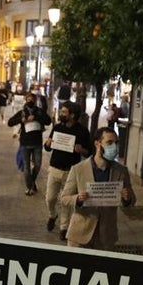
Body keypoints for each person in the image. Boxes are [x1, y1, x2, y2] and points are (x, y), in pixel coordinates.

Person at [59, 127, 136, 251]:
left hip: (106, 236)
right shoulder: (78, 169)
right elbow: (64, 198)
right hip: (79, 235)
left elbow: (132, 200)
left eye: (116, 143)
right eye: (109, 142)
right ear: (97, 144)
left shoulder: (121, 171)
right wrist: (78, 199)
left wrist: (127, 198)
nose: (114, 147)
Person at [44, 102, 90, 239]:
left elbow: (89, 152)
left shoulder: (82, 131)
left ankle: (64, 228)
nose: (61, 114)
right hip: (55, 168)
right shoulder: (57, 127)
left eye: (64, 112)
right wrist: (47, 144)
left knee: (66, 200)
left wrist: (81, 150)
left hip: (71, 171)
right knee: (50, 198)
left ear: (72, 115)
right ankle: (52, 215)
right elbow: (48, 147)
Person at [9, 93, 51, 196]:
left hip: (37, 143)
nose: (30, 101)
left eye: (32, 99)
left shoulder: (39, 111)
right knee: (26, 167)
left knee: (38, 165)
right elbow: (10, 122)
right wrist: (21, 120)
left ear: (35, 101)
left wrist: (36, 117)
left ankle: (31, 182)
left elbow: (48, 121)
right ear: (25, 100)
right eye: (28, 99)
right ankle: (29, 187)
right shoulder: (22, 112)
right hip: (25, 143)